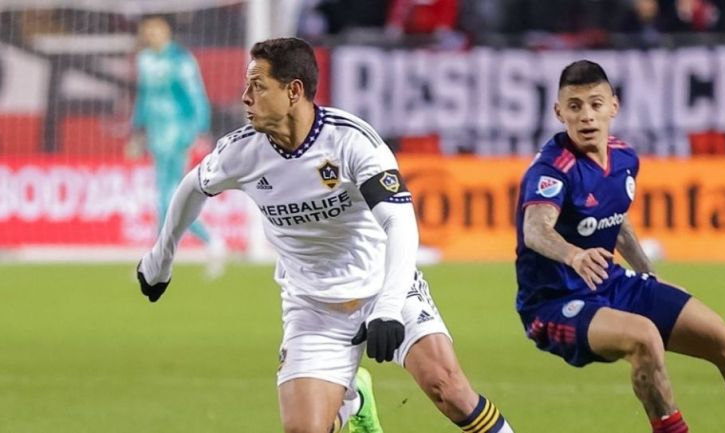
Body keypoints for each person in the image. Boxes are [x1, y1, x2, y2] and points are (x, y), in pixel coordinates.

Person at [136, 37, 514, 433]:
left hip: (385, 287)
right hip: (313, 308)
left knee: (450, 391)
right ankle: (355, 404)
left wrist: (387, 306)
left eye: (258, 85)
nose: (245, 97)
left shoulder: (351, 140)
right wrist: (160, 258)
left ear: (293, 90)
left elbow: (400, 223)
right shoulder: (241, 151)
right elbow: (192, 187)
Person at [514, 60, 725, 433]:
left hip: (612, 284)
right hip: (555, 303)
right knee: (643, 337)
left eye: (595, 104)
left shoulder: (624, 158)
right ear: (559, 112)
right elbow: (536, 229)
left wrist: (650, 279)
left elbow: (618, 222)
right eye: (574, 106)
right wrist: (573, 255)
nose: (586, 116)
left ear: (614, 106)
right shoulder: (551, 170)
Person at [130, 16, 225, 276]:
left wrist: (199, 128)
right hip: (155, 134)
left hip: (177, 133)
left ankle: (164, 256)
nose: (151, 35)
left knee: (166, 196)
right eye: (147, 31)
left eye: (156, 30)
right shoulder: (145, 60)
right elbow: (144, 98)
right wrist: (136, 130)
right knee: (166, 197)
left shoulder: (181, 60)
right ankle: (202, 245)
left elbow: (196, 94)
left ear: (168, 32)